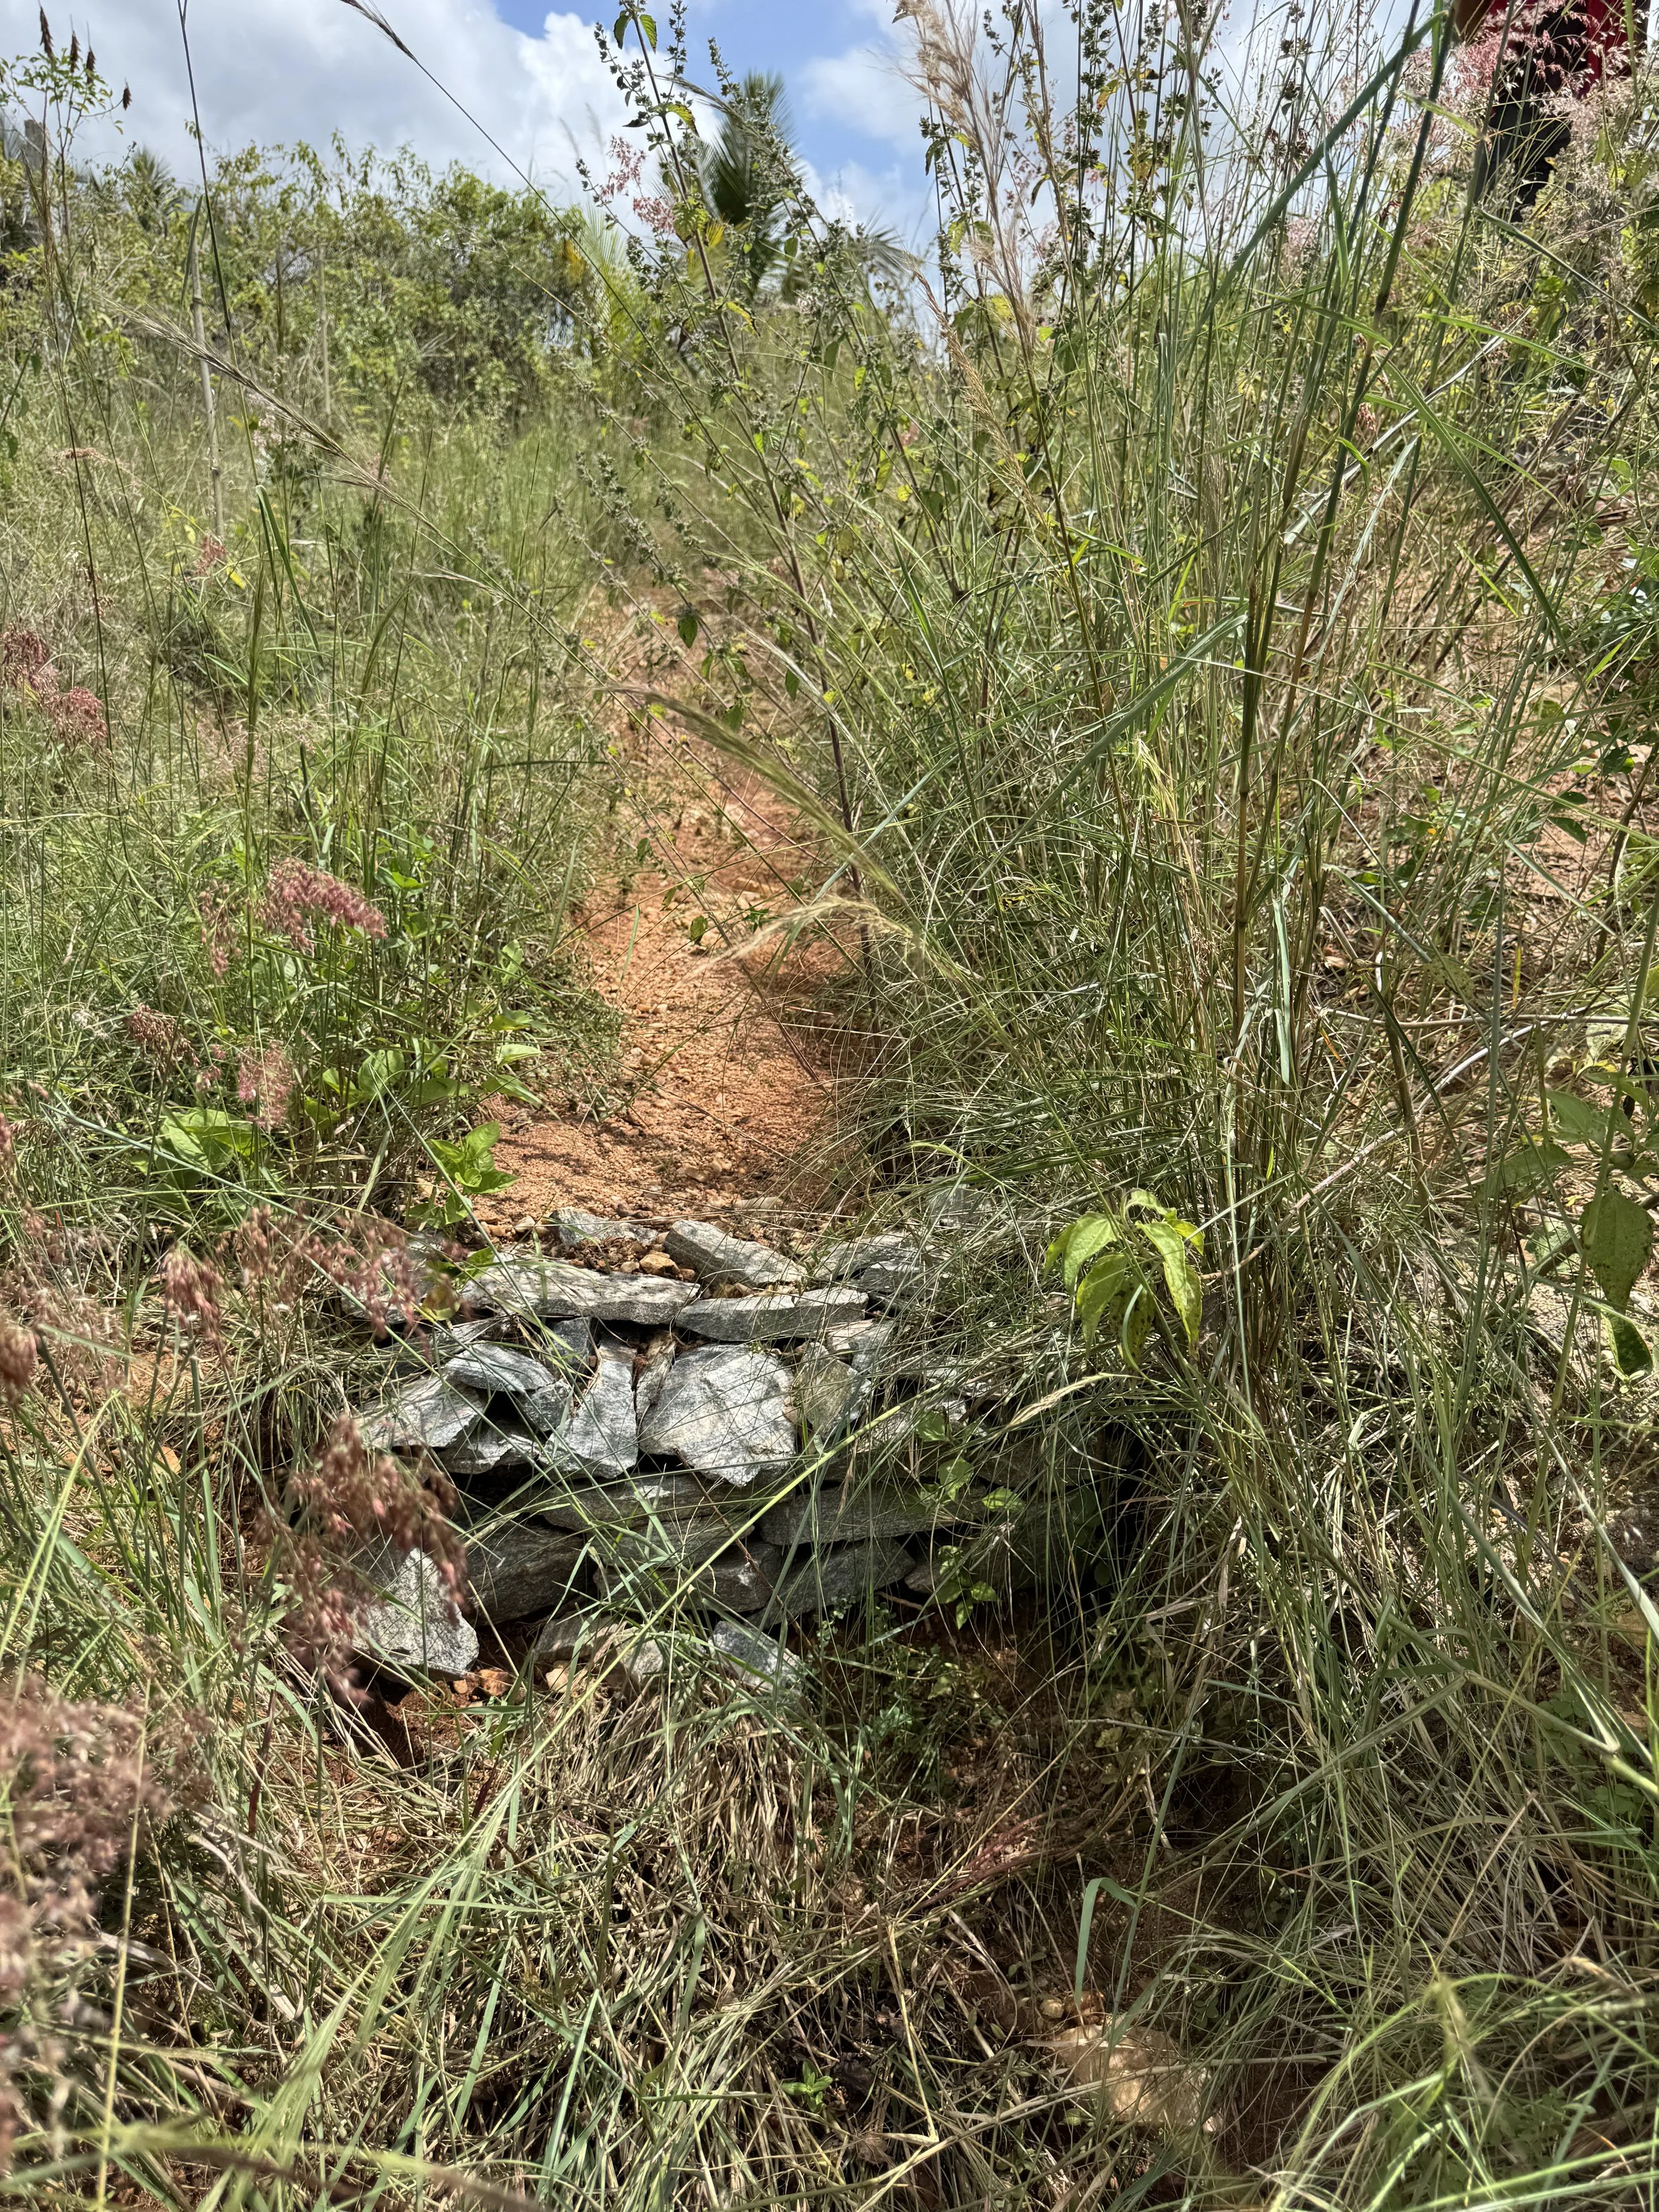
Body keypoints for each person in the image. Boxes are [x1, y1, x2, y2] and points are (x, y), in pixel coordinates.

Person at [1453, 0, 1640, 200]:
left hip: (1592, 109)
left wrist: (1625, 99)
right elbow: (1467, 14)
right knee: (1489, 214)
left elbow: (1635, 23)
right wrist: (1480, 73)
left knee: (1588, 216)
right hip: (1513, 104)